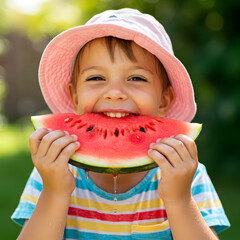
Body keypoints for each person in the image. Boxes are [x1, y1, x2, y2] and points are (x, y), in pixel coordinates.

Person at [12, 8, 230, 240]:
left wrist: (180, 200)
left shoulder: (187, 175)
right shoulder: (50, 172)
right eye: (96, 78)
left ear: (165, 99)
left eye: (136, 78)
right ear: (74, 97)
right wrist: (54, 192)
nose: (115, 93)